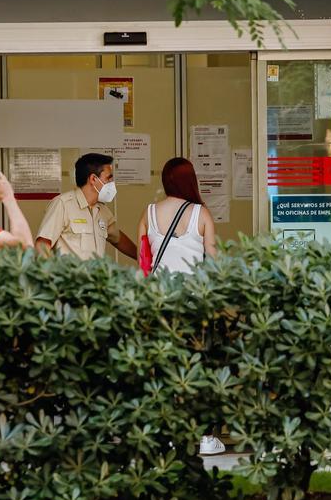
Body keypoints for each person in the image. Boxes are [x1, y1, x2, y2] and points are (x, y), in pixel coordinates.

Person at [137, 157, 223, 456]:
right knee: (196, 367)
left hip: (159, 304)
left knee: (162, 368)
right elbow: (213, 265)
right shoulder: (201, 214)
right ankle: (203, 436)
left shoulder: (148, 213)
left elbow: (143, 263)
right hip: (193, 305)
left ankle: (166, 434)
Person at [36, 152, 138, 261]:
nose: (111, 183)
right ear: (93, 179)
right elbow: (42, 244)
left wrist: (141, 257)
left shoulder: (102, 210)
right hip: (71, 277)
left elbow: (117, 238)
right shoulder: (63, 204)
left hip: (96, 277)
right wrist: (48, 274)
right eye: (109, 178)